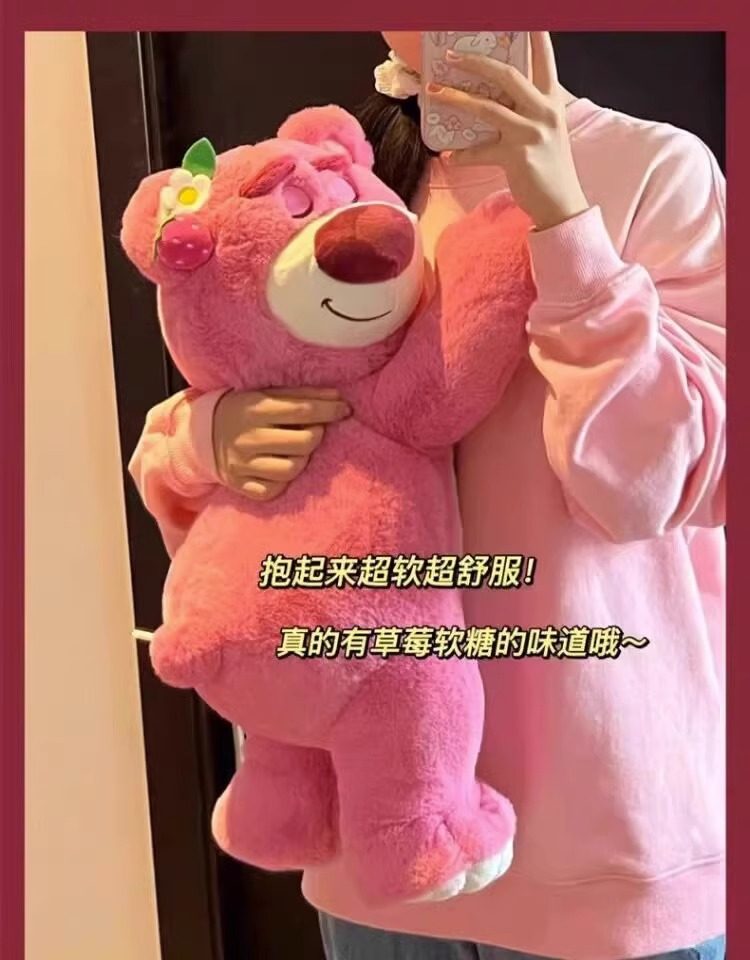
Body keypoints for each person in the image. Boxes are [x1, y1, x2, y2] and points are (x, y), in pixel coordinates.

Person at [128, 31, 726, 960]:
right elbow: (206, 433)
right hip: (380, 852)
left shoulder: (656, 169)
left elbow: (656, 480)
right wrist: (210, 436)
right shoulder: (333, 181)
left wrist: (563, 218)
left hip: (608, 845)